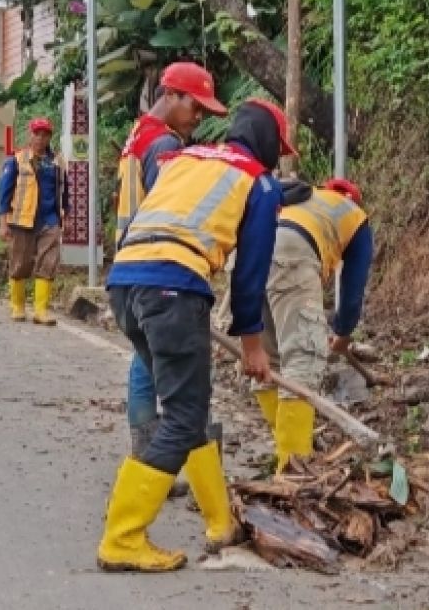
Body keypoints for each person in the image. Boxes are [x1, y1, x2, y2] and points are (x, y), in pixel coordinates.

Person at [96, 99, 292, 573]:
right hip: (173, 288)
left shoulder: (185, 156)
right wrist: (252, 345)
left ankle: (219, 522)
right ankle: (122, 537)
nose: (278, 160)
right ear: (267, 142)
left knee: (191, 406)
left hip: (126, 281)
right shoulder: (258, 182)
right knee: (183, 418)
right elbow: (251, 271)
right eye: (278, 150)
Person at [115, 62, 227, 494]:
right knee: (163, 368)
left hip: (130, 263)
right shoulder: (162, 146)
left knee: (146, 358)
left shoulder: (139, 133)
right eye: (195, 107)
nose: (199, 117)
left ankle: (146, 448)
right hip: (158, 265)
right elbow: (178, 204)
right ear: (172, 95)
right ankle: (158, 459)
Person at [257, 176, 373, 472]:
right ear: (354, 199)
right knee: (302, 363)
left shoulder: (302, 199)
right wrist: (344, 333)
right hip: (291, 255)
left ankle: (284, 448)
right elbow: (352, 288)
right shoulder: (355, 216)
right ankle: (294, 472)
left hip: (249, 252)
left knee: (263, 360)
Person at [0, 117, 67, 325]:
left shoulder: (56, 162)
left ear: (49, 138)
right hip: (22, 219)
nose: (40, 138)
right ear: (30, 135)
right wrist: (3, 223)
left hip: (50, 219)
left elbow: (65, 190)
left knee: (49, 262)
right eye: (37, 133)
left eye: (45, 134)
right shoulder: (16, 160)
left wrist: (67, 214)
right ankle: (17, 306)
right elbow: (5, 193)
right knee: (20, 263)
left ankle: (40, 310)